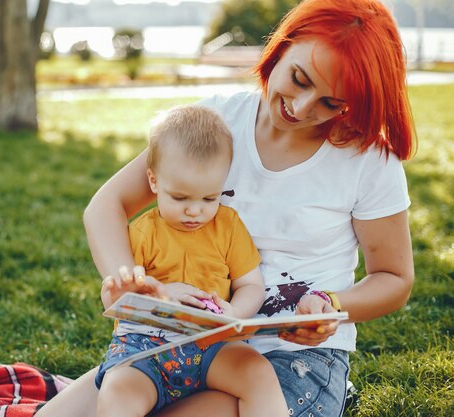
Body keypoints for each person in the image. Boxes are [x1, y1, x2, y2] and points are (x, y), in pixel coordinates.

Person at [38, 0, 415, 416]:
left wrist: (334, 304)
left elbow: (394, 277)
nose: (303, 108)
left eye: (332, 103)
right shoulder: (217, 120)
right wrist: (133, 286)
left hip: (292, 358)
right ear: (281, 48)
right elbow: (106, 205)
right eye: (299, 79)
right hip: (182, 341)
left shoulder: (368, 161)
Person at [95, 105, 288, 417]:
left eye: (210, 198)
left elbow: (251, 284)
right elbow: (113, 297)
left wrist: (234, 312)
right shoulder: (143, 233)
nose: (195, 211)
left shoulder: (228, 226)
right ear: (154, 181)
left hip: (212, 345)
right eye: (180, 198)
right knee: (116, 394)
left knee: (258, 372)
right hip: (146, 348)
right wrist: (157, 292)